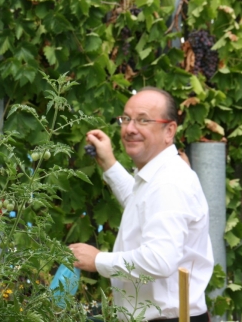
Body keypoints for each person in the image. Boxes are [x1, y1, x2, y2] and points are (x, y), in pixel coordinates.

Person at [69, 87, 214, 322]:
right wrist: (109, 163)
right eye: (126, 119)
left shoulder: (169, 182)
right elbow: (141, 205)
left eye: (143, 120)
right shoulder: (158, 175)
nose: (129, 128)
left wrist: (98, 260)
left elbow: (159, 260)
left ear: (169, 131)